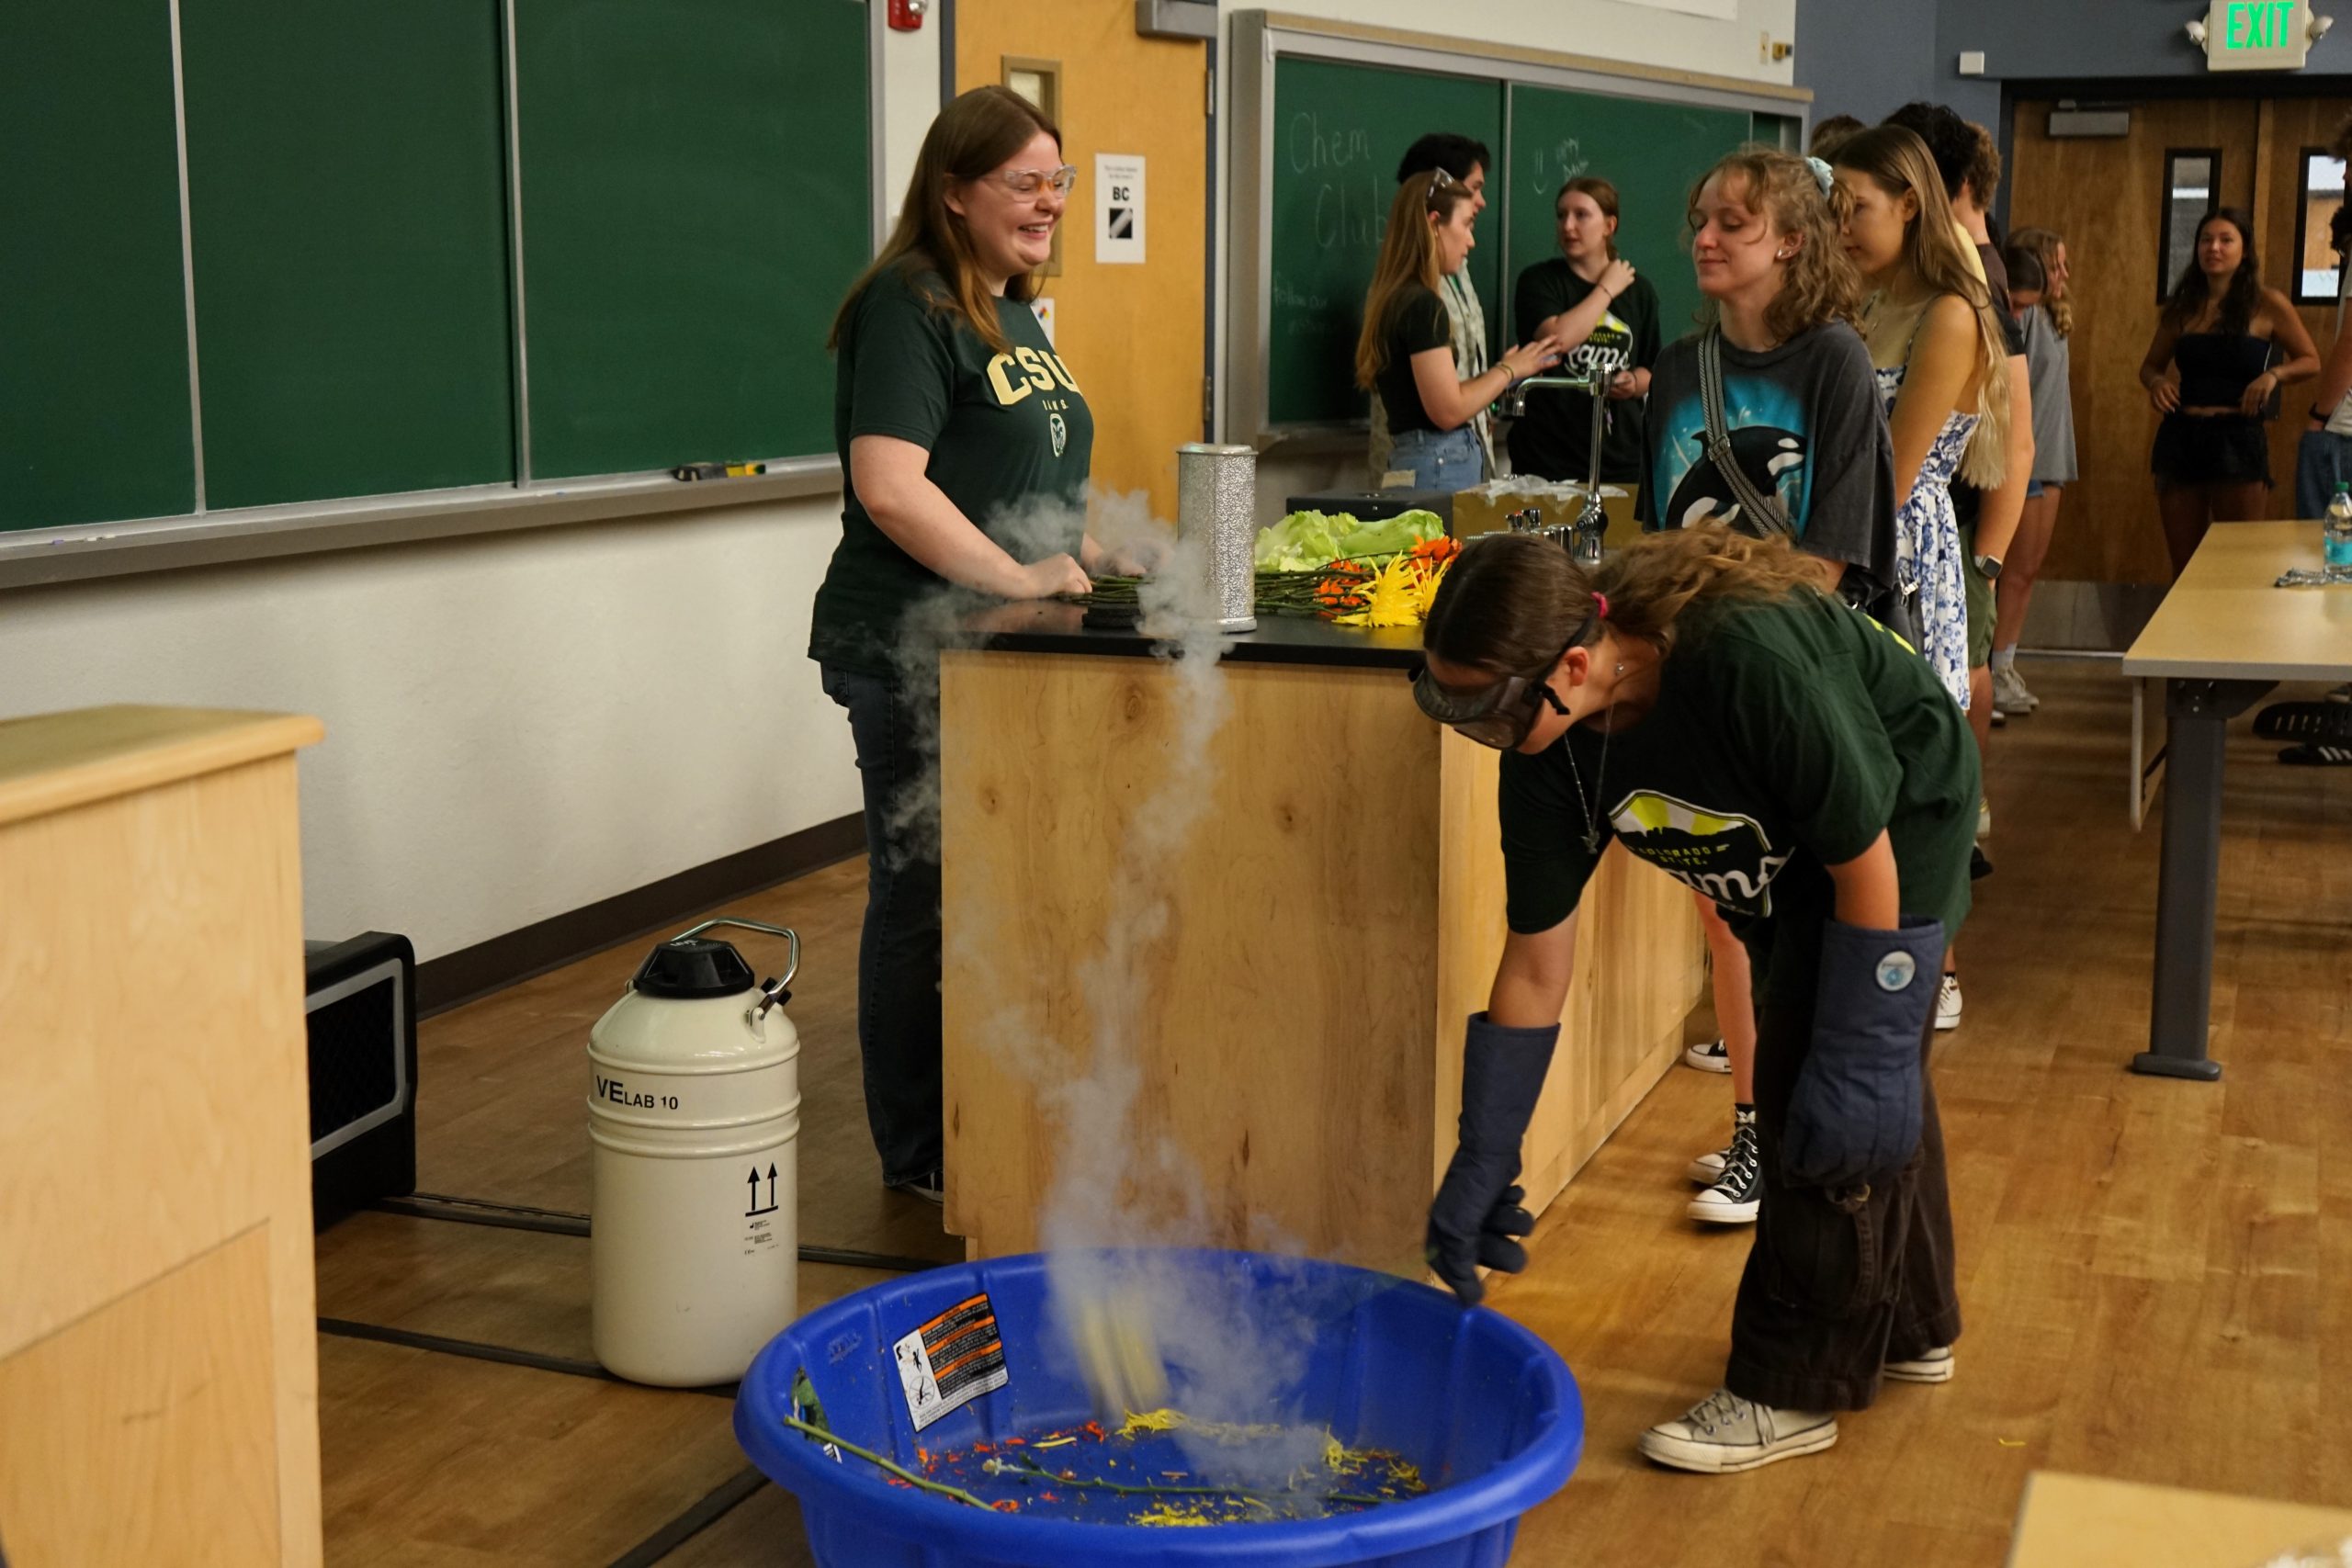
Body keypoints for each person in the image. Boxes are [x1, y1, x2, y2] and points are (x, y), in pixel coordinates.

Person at [1417, 525, 1976, 1473]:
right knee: (1854, 1093)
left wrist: (1866, 1037)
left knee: (1829, 1097)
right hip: (1787, 858)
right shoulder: (1547, 753)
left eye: (1490, 711)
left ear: (1576, 662)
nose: (1482, 735)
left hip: (1896, 823)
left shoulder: (1741, 659)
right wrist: (1483, 1153)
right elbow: (1534, 966)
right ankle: (1914, 1322)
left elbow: (1864, 861)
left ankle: (1790, 1387)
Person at [810, 85, 1107, 1202]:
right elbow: (890, 489)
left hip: (1000, 657)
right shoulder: (910, 301)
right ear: (953, 192)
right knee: (922, 894)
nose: (1048, 204)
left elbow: (1034, 482)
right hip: (907, 648)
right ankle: (918, 1150)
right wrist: (1018, 575)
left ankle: (986, 1115)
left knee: (990, 890)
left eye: (1059, 182)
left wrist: (1125, 554)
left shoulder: (1011, 306)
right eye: (1023, 182)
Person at [1640, 145, 1901, 1224]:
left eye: (1733, 224)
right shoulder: (1670, 368)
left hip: (1804, 678)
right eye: (1700, 218)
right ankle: (1751, 1128)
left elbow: (1828, 562)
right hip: (1699, 671)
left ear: (1790, 243)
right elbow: (1654, 536)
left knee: (1802, 919)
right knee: (1727, 909)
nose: (1705, 237)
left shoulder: (1835, 362)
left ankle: (1816, 1139)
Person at [1832, 125, 2013, 717]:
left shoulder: (1949, 312)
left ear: (1908, 202)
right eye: (1834, 211)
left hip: (1895, 544)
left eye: (1857, 209)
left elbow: (1896, 472)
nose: (1842, 228)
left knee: (1899, 734)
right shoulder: (1870, 301)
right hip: (1847, 528)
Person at [2139, 208, 2320, 574]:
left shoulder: (2267, 304)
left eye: (2225, 240)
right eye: (2206, 240)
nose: (2214, 248)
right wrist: (2157, 382)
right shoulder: (2183, 308)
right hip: (2182, 437)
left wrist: (2274, 376)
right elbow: (2150, 366)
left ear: (2245, 251)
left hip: (2237, 438)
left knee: (2238, 565)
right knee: (2185, 565)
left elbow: (2310, 360)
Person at [1357, 175, 1561, 492]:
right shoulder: (1424, 305)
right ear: (1435, 223)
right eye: (1467, 225)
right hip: (1439, 464)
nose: (1471, 241)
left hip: (1415, 461)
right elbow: (1448, 411)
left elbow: (1438, 395)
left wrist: (1498, 375)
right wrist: (1509, 371)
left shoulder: (1394, 298)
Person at [1509, 176, 1662, 488]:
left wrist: (1632, 383)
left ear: (1609, 225)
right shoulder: (1539, 281)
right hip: (1547, 461)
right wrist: (1607, 289)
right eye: (1561, 215)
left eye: (1581, 215)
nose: (1568, 226)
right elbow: (1559, 339)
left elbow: (1652, 370)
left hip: (1620, 461)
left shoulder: (1640, 292)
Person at [1370, 133, 1499, 485]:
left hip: (1449, 454)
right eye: (1473, 188)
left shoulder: (1445, 274)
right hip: (1433, 459)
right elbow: (1446, 408)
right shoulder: (1420, 298)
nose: (1481, 202)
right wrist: (1508, 371)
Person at [1991, 228, 2078, 716]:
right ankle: (1989, 666)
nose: (2064, 274)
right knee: (2006, 569)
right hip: (2018, 456)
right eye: (2057, 264)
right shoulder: (2014, 314)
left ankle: (2006, 661)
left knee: (2027, 571)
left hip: (2051, 453)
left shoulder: (2050, 315)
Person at [2297, 113, 2352, 525]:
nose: (2347, 176)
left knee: (2331, 553)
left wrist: (2319, 415)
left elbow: (2351, 345)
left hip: (2346, 429)